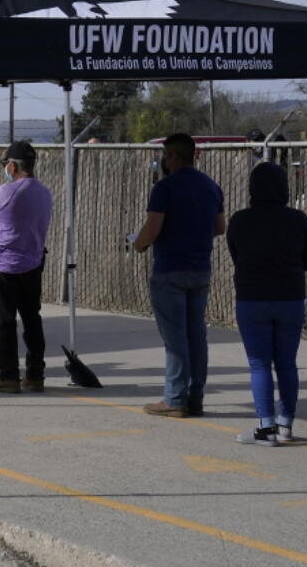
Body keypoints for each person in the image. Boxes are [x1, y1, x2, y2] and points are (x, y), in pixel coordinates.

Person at [133, 132, 225, 418]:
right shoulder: (210, 186)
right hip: (200, 268)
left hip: (170, 268)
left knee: (174, 338)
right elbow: (220, 227)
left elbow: (153, 227)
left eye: (165, 155)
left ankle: (174, 398)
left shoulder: (165, 188)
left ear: (172, 156)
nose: (163, 160)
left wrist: (138, 242)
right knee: (196, 335)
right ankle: (195, 396)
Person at [226, 161, 307, 445]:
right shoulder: (298, 218)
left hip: (252, 298)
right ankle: (285, 424)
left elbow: (235, 255)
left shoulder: (240, 220)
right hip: (290, 297)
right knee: (287, 363)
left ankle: (265, 427)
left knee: (259, 363)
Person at [0, 141, 53, 393]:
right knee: (32, 319)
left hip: (4, 265)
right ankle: (35, 374)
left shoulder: (5, 191)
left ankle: (8, 375)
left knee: (5, 322)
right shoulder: (44, 192)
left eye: (5, 165)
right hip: (33, 261)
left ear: (12, 165)